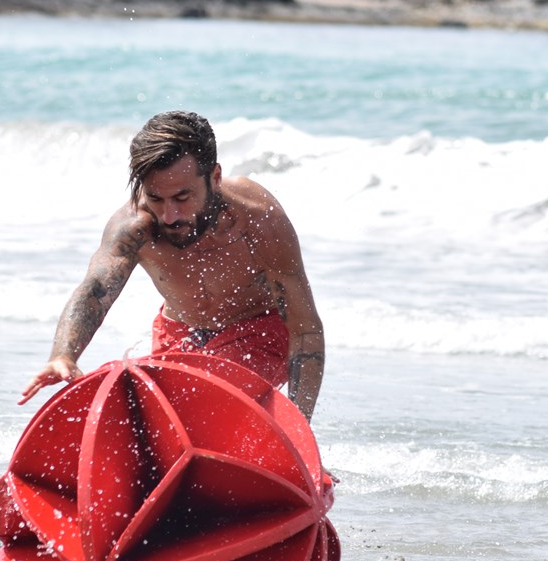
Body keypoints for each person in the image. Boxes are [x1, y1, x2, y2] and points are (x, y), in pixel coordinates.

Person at [19, 110, 325, 419]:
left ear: (215, 178)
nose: (169, 215)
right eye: (156, 198)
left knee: (202, 403)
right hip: (177, 333)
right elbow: (95, 291)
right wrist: (63, 355)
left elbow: (305, 330)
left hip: (259, 333)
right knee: (143, 412)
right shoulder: (134, 226)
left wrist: (300, 429)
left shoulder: (257, 217)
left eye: (182, 197)